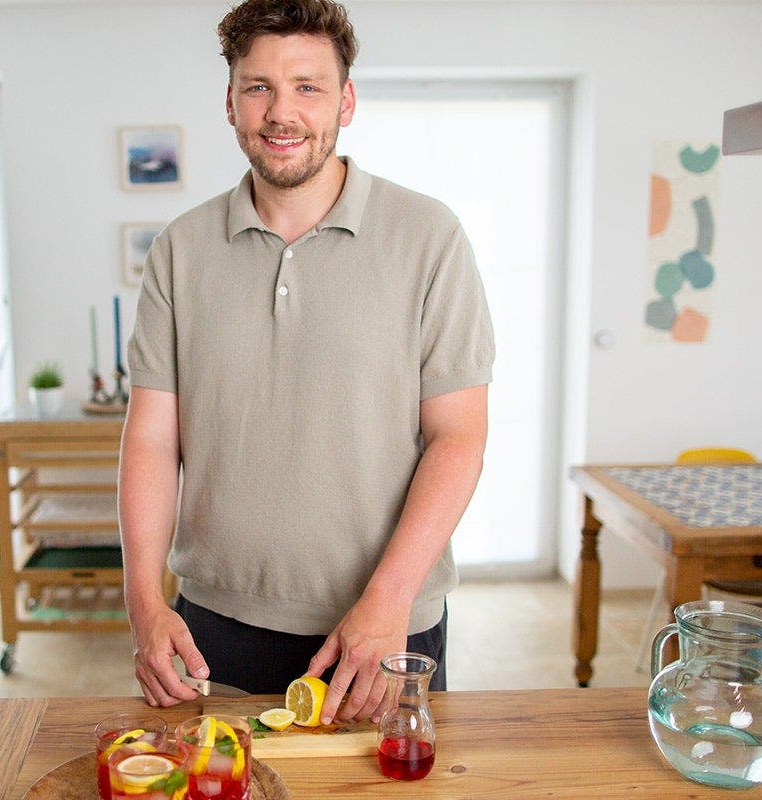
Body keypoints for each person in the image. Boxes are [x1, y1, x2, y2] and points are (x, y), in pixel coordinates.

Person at [119, 0, 494, 725]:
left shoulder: (429, 237)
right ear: (230, 103)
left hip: (384, 625)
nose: (280, 111)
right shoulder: (180, 249)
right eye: (258, 87)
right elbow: (151, 439)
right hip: (213, 624)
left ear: (346, 101)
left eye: (308, 87)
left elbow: (460, 435)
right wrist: (143, 604)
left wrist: (386, 605)